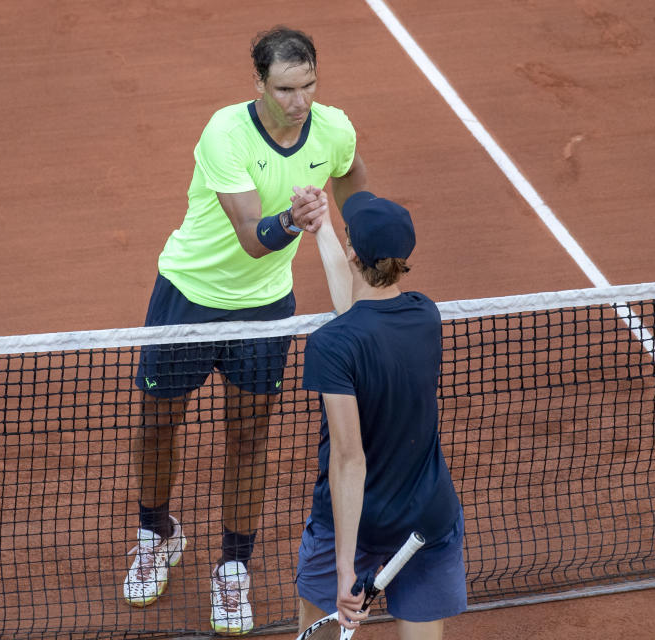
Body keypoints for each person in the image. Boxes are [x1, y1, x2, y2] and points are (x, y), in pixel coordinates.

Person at [123, 26, 368, 637]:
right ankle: (156, 533)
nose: (299, 101)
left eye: (308, 85)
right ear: (257, 83)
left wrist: (360, 241)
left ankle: (234, 566)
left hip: (264, 311)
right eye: (286, 88)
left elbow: (353, 178)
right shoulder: (226, 133)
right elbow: (255, 237)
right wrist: (295, 216)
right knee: (157, 424)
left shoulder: (332, 128)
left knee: (248, 437)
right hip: (188, 296)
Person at [295, 189, 467, 640]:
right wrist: (326, 231)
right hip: (427, 521)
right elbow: (361, 311)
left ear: (355, 253)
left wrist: (345, 569)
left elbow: (349, 460)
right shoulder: (425, 315)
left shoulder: (331, 346)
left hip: (356, 524)